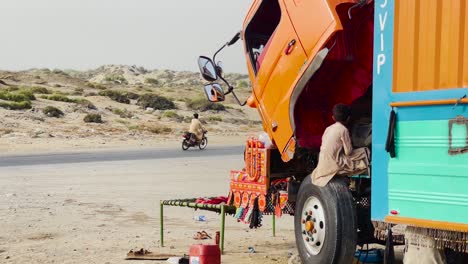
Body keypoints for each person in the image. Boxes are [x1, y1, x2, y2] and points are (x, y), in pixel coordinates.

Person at [311, 103, 369, 186]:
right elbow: (348, 152)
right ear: (348, 119)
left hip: (323, 161)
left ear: (333, 118)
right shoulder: (343, 130)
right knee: (366, 152)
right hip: (336, 163)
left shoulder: (328, 129)